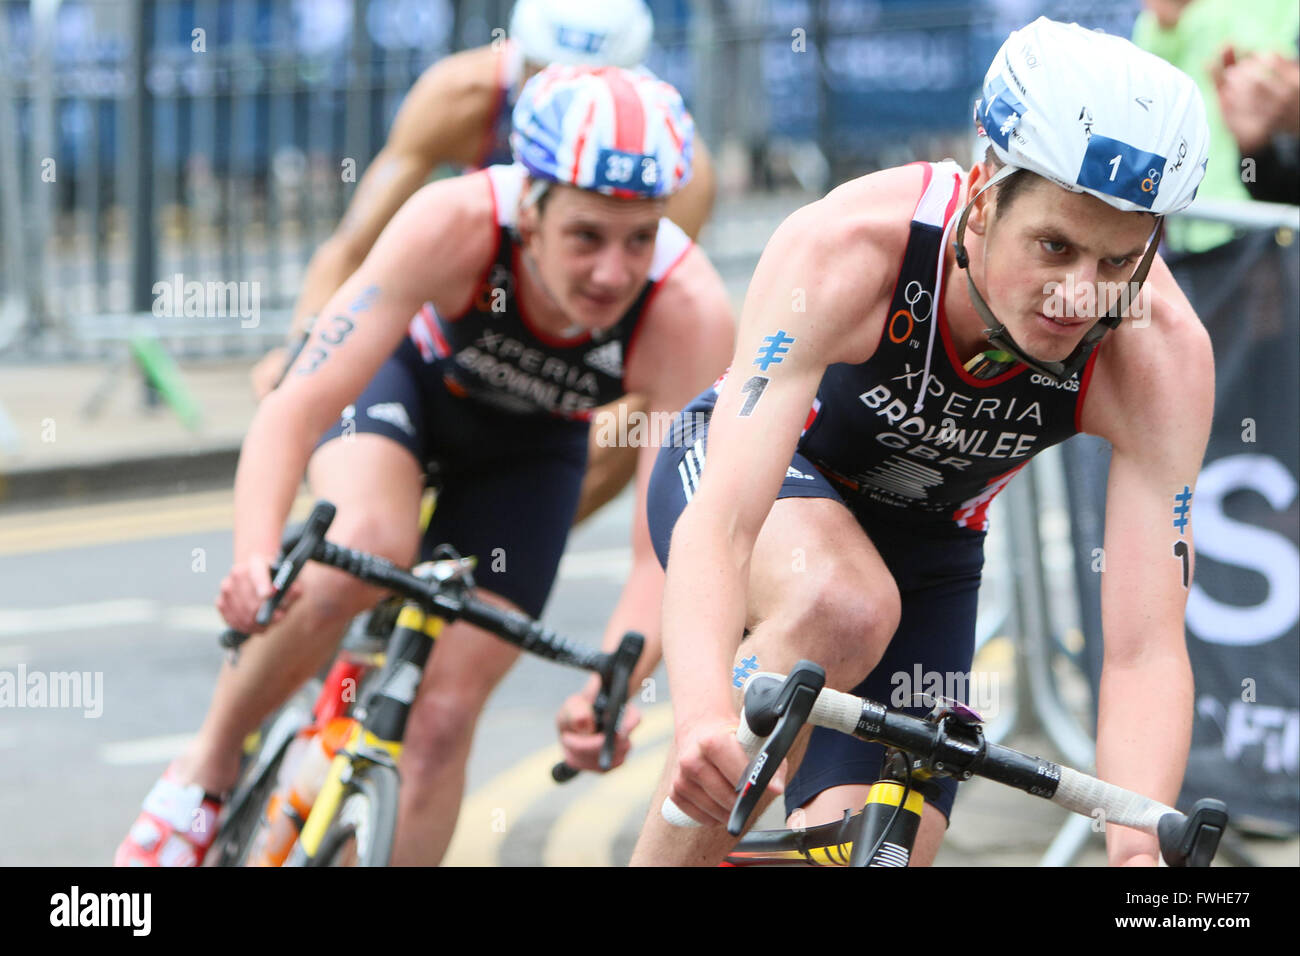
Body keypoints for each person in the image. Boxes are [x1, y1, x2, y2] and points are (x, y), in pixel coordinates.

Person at [114, 64, 735, 866]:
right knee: (365, 549)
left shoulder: (688, 312)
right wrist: (256, 554)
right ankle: (203, 772)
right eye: (587, 236)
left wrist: (612, 682)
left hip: (531, 448)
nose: (615, 272)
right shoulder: (453, 223)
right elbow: (295, 407)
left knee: (443, 717)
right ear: (530, 208)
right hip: (404, 385)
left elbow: (671, 544)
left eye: (640, 238)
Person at [630, 17, 1214, 867]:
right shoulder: (851, 250)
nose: (1079, 296)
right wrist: (702, 720)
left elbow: (1143, 648)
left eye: (1120, 261)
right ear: (983, 198)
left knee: (884, 849)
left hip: (931, 548)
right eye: (1053, 245)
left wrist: (1134, 844)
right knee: (841, 603)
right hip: (766, 484)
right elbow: (722, 524)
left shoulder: (1158, 352)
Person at [249, 0, 718, 523]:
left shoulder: (683, 171)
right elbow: (351, 249)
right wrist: (299, 346)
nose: (559, 98)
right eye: (542, 74)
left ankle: (481, 548)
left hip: (562, 365)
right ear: (516, 57)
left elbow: (637, 315)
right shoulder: (458, 95)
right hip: (451, 326)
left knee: (624, 437)